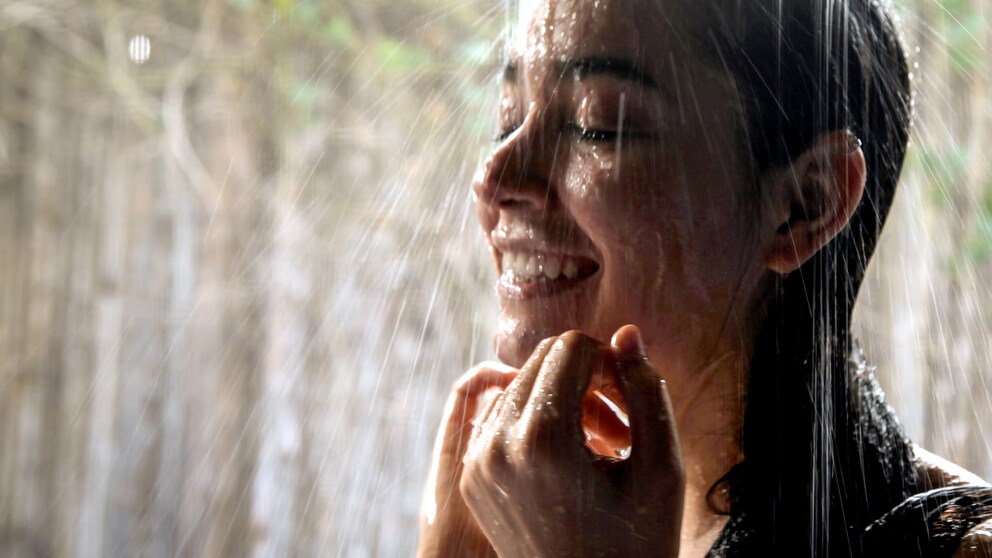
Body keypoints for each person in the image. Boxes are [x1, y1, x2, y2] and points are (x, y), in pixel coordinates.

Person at [417, 0, 992, 556]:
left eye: (598, 126)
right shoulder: (539, 510)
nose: (495, 178)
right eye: (508, 120)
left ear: (806, 205)